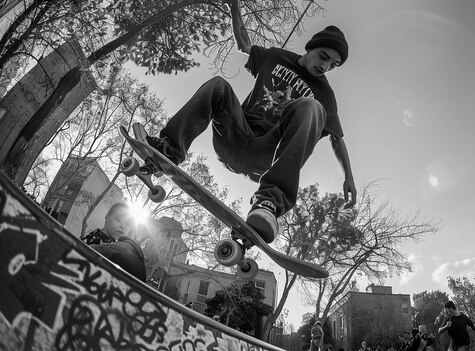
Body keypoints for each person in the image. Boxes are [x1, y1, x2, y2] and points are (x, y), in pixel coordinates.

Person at [142, 0, 357, 244]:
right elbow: (244, 42)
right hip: (235, 135)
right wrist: (234, 6)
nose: (325, 67)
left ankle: (269, 202)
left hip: (267, 153)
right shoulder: (276, 56)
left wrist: (348, 176)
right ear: (311, 48)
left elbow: (337, 138)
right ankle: (169, 148)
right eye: (324, 57)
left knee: (312, 107)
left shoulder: (325, 94)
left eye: (333, 65)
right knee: (218, 85)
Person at [80, 203, 146, 281]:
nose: (123, 226)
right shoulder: (92, 240)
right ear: (107, 217)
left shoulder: (119, 247)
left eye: (128, 224)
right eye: (119, 220)